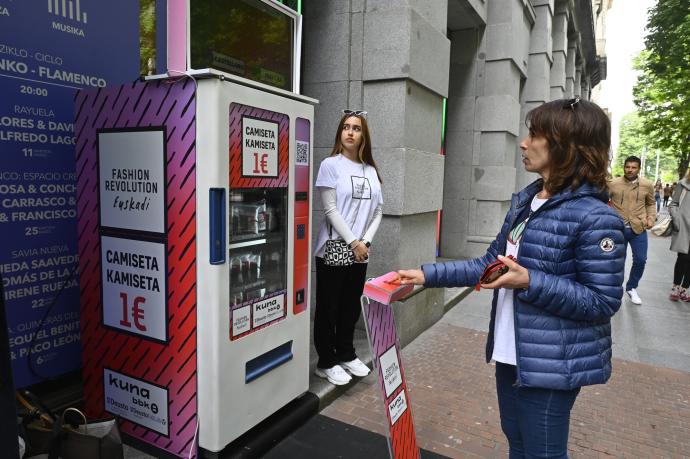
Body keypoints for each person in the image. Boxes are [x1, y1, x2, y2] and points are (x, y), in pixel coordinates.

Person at [396, 98, 625, 458]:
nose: (523, 142)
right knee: (516, 441)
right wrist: (426, 275)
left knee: (542, 453)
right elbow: (491, 264)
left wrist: (529, 281)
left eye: (535, 134)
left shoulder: (597, 218)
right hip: (511, 351)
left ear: (568, 146)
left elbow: (602, 301)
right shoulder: (527, 200)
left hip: (552, 363)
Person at [312, 109, 383, 385]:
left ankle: (346, 353)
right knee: (328, 306)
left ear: (363, 135)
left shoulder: (371, 170)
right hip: (334, 248)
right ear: (340, 133)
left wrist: (364, 242)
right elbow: (330, 209)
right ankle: (326, 361)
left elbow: (378, 211)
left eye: (356, 128)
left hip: (360, 251)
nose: (350, 132)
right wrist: (353, 241)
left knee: (350, 306)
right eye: (346, 127)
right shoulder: (330, 165)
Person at [607, 156, 656, 304]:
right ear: (624, 167)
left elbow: (651, 203)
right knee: (616, 262)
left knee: (641, 260)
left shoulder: (647, 185)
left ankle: (631, 287)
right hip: (617, 229)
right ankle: (615, 289)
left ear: (639, 169)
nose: (630, 170)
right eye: (627, 167)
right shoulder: (612, 184)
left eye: (633, 167)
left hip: (638, 228)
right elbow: (602, 201)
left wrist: (651, 218)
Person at [668, 172, 690, 301]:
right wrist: (677, 219)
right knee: (683, 257)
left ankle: (685, 288)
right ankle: (676, 286)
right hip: (684, 227)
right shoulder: (684, 184)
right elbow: (673, 204)